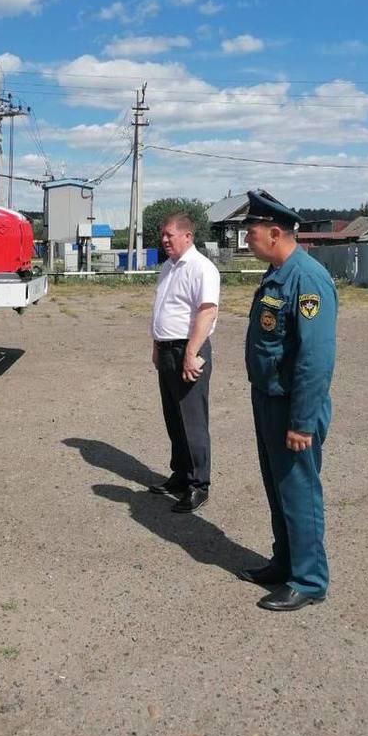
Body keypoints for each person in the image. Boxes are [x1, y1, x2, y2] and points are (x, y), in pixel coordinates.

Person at [241, 189, 337, 612]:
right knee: (277, 488)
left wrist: (302, 421)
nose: (247, 239)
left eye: (252, 232)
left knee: (299, 491)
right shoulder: (276, 273)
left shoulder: (308, 278)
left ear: (275, 232)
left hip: (292, 408)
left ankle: (310, 579)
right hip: (268, 401)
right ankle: (285, 562)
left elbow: (316, 359)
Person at [148, 213, 220, 512]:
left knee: (192, 421)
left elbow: (207, 312)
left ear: (187, 236)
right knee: (174, 419)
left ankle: (198, 485)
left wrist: (191, 353)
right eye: (163, 235)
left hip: (187, 351)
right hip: (167, 351)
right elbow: (164, 309)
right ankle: (180, 475)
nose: (164, 240)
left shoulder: (202, 268)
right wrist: (156, 346)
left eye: (169, 235)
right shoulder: (168, 267)